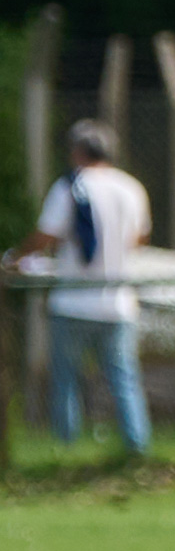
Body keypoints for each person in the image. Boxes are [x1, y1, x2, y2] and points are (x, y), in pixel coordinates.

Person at [3, 120, 152, 455]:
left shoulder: (70, 186)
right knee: (124, 379)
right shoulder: (131, 188)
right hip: (119, 302)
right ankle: (137, 449)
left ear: (78, 151)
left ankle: (65, 450)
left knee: (66, 379)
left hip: (73, 301)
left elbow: (48, 233)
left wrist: (16, 257)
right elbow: (139, 237)